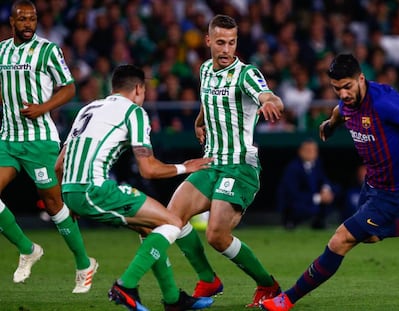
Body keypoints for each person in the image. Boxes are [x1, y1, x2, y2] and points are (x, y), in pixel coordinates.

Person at [260, 53, 399, 310]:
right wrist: (330, 124)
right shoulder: (347, 103)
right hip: (374, 185)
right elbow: (340, 111)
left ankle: (287, 299)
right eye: (336, 88)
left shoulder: (384, 102)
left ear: (361, 79)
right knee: (370, 237)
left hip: (397, 190)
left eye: (348, 86)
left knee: (339, 240)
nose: (342, 93)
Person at [55, 64, 214, 311]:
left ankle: (173, 299)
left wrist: (69, 201)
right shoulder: (134, 112)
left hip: (71, 190)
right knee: (172, 223)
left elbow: (59, 164)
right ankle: (125, 286)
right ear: (139, 88)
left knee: (150, 228)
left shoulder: (88, 108)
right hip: (94, 189)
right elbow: (148, 169)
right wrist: (186, 167)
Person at [167, 14, 284, 308]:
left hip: (240, 165)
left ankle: (268, 285)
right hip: (212, 162)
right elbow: (209, 102)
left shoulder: (246, 74)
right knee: (171, 217)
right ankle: (208, 279)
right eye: (220, 42)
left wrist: (270, 102)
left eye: (231, 43)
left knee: (217, 235)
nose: (226, 49)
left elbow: (270, 96)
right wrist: (199, 121)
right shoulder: (205, 70)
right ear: (208, 41)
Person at [0, 0, 97, 293]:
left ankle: (84, 263)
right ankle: (28, 249)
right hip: (8, 138)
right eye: (23, 19)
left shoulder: (47, 50)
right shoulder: (1, 51)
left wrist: (43, 107)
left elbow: (69, 87)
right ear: (12, 22)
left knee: (54, 204)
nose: (29, 23)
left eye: (33, 18)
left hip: (40, 141)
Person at [277, 138, 335, 229]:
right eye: (307, 150)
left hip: (314, 199)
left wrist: (326, 190)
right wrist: (318, 198)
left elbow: (324, 180)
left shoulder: (317, 164)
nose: (310, 153)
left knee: (335, 191)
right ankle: (290, 222)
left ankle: (319, 222)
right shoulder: (293, 168)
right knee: (300, 205)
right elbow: (292, 193)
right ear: (300, 151)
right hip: (296, 202)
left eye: (313, 150)